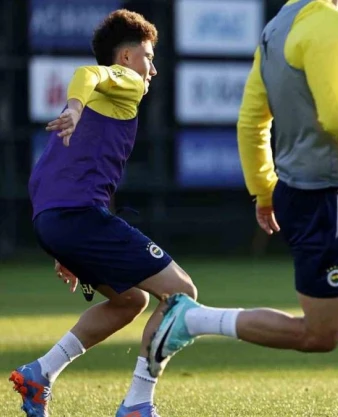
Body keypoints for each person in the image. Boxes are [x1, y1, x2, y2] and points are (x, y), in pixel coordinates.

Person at [145, 1, 338, 417]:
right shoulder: (332, 24)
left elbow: (251, 120)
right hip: (323, 195)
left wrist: (264, 190)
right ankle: (194, 320)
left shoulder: (276, 26)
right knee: (322, 334)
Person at [8, 10, 197, 417]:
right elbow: (88, 73)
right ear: (126, 57)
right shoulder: (126, 84)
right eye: (148, 57)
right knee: (181, 293)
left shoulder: (98, 107)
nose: (152, 70)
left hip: (54, 221)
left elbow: (41, 180)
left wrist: (62, 244)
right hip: (76, 219)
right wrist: (75, 108)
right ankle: (138, 403)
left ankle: (40, 373)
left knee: (131, 300)